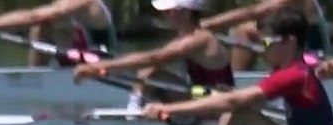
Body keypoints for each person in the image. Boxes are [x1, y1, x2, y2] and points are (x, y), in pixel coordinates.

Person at [141, 9, 333, 125]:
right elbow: (242, 99)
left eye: (268, 42)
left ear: (289, 42)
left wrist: (167, 108)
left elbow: (232, 103)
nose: (262, 49)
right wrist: (232, 97)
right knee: (239, 110)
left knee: (235, 114)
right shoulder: (294, 69)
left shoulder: (293, 75)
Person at [72, 0, 233, 115]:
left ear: (186, 12)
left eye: (169, 11)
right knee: (149, 71)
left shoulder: (198, 40)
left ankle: (134, 114)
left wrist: (99, 67)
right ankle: (136, 107)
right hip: (205, 97)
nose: (164, 15)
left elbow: (152, 58)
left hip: (218, 106)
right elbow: (151, 61)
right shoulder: (188, 36)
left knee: (149, 70)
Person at [0, 0, 117, 67]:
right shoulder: (61, 3)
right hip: (74, 63)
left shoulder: (85, 2)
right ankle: (35, 78)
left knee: (42, 20)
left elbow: (33, 16)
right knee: (41, 27)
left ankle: (37, 81)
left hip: (99, 67)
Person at [200, 0, 331, 71]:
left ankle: (235, 91)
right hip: (281, 49)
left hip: (311, 59)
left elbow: (254, 12)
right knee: (251, 35)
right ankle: (236, 83)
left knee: (244, 31)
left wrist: (205, 25)